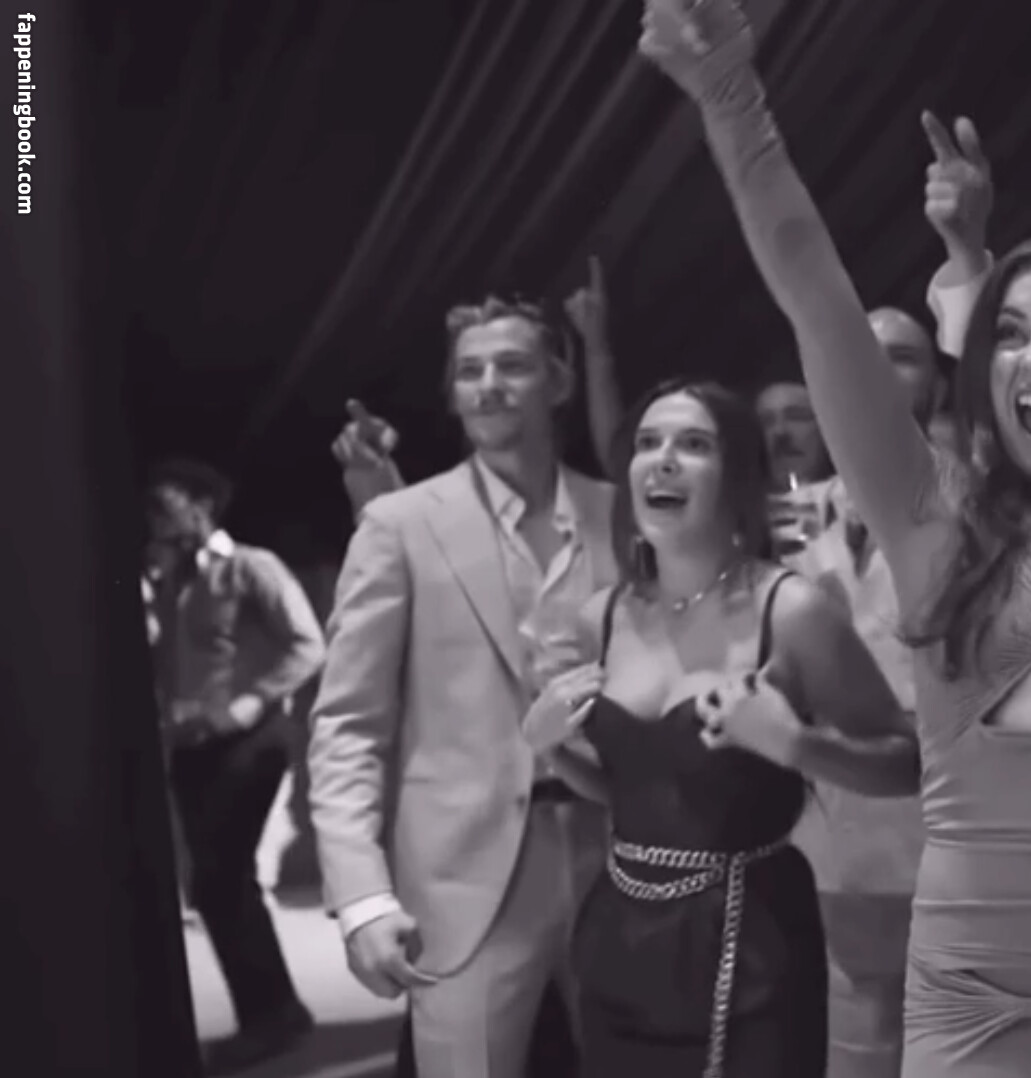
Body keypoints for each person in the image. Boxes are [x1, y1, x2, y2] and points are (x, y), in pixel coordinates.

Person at [638, 1, 1031, 1072]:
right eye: (1008, 332)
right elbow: (814, 293)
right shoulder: (934, 520)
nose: (1027, 356)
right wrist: (731, 98)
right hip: (973, 989)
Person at [522, 378, 918, 1078]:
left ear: (735, 476)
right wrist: (549, 747)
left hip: (753, 941)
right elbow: (635, 795)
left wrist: (797, 745)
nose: (663, 460)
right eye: (648, 443)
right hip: (621, 936)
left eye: (693, 444)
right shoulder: (600, 618)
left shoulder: (790, 610)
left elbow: (906, 760)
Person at [308, 296, 616, 1078]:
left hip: (617, 859)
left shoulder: (620, 515)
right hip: (461, 875)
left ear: (558, 383)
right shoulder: (400, 524)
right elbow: (347, 723)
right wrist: (361, 895)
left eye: (511, 366)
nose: (487, 385)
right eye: (469, 371)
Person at [792, 307, 937, 1078]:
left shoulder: (997, 504)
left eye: (900, 356)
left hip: (957, 847)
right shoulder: (783, 518)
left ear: (937, 379)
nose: (875, 369)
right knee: (849, 1056)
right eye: (859, 351)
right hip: (827, 853)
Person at [145, 458, 325, 1075]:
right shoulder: (172, 581)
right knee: (215, 884)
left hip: (250, 743)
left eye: (167, 502)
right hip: (192, 747)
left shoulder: (251, 566)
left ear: (202, 505)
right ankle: (271, 1013)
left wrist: (246, 705)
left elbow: (308, 644)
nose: (155, 515)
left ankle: (274, 1016)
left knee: (223, 877)